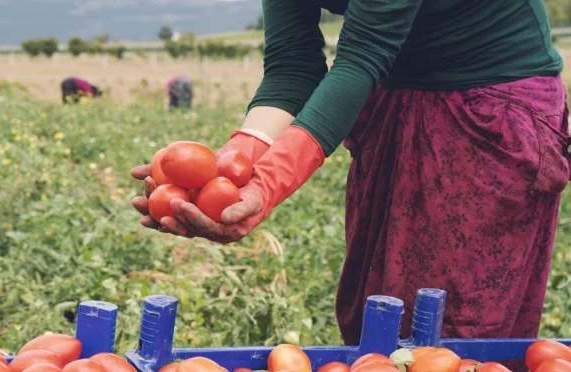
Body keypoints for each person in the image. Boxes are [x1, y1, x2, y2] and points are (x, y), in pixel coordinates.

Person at [131, 1, 567, 370]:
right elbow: (292, 65)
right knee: (380, 313)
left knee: (453, 326)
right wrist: (228, 169)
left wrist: (265, 185)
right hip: (395, 99)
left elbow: (363, 56)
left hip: (486, 109)